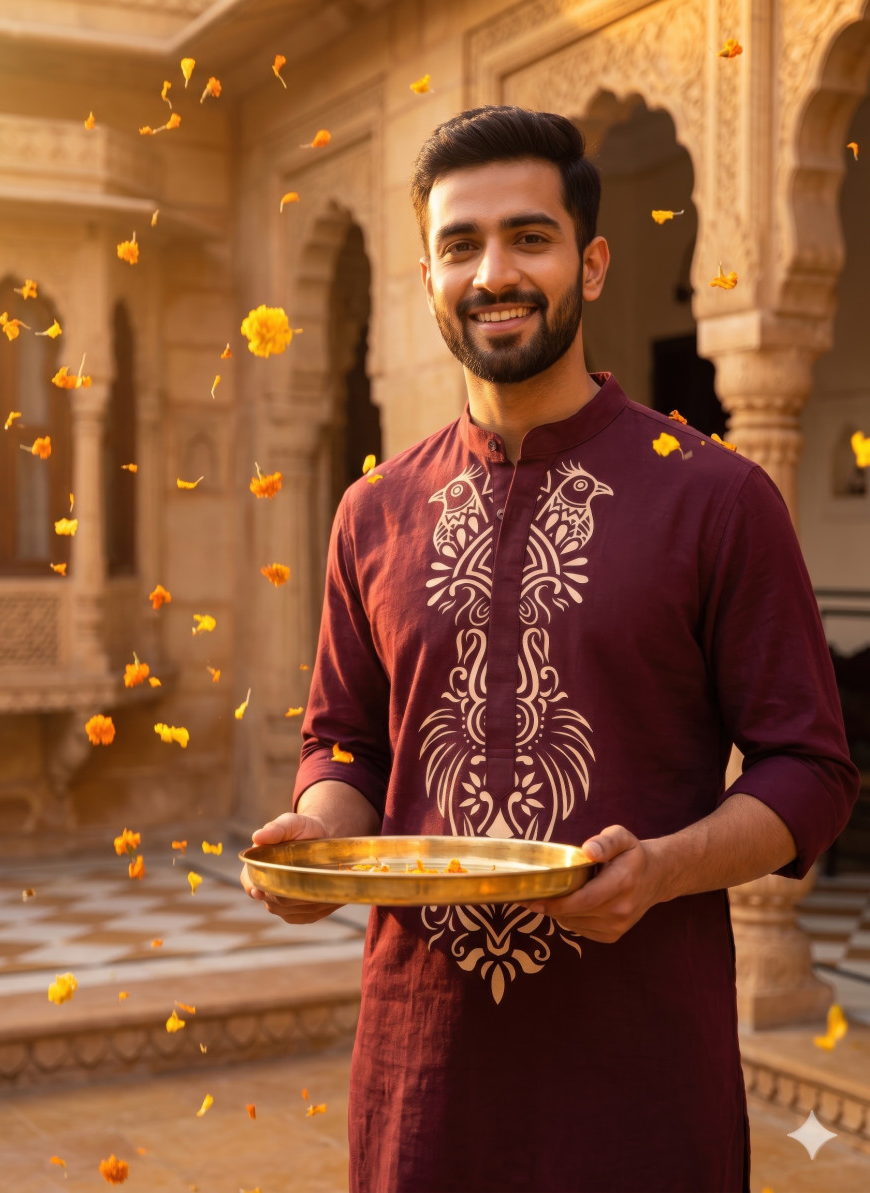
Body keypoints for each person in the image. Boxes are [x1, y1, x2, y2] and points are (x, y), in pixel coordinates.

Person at [240, 106, 859, 1193]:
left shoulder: (715, 496)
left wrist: (663, 867)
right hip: (422, 1083)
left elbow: (810, 772)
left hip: (641, 1081)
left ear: (594, 260)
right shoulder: (374, 511)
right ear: (427, 277)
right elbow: (343, 743)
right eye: (460, 245)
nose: (495, 273)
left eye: (530, 237)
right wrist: (319, 841)